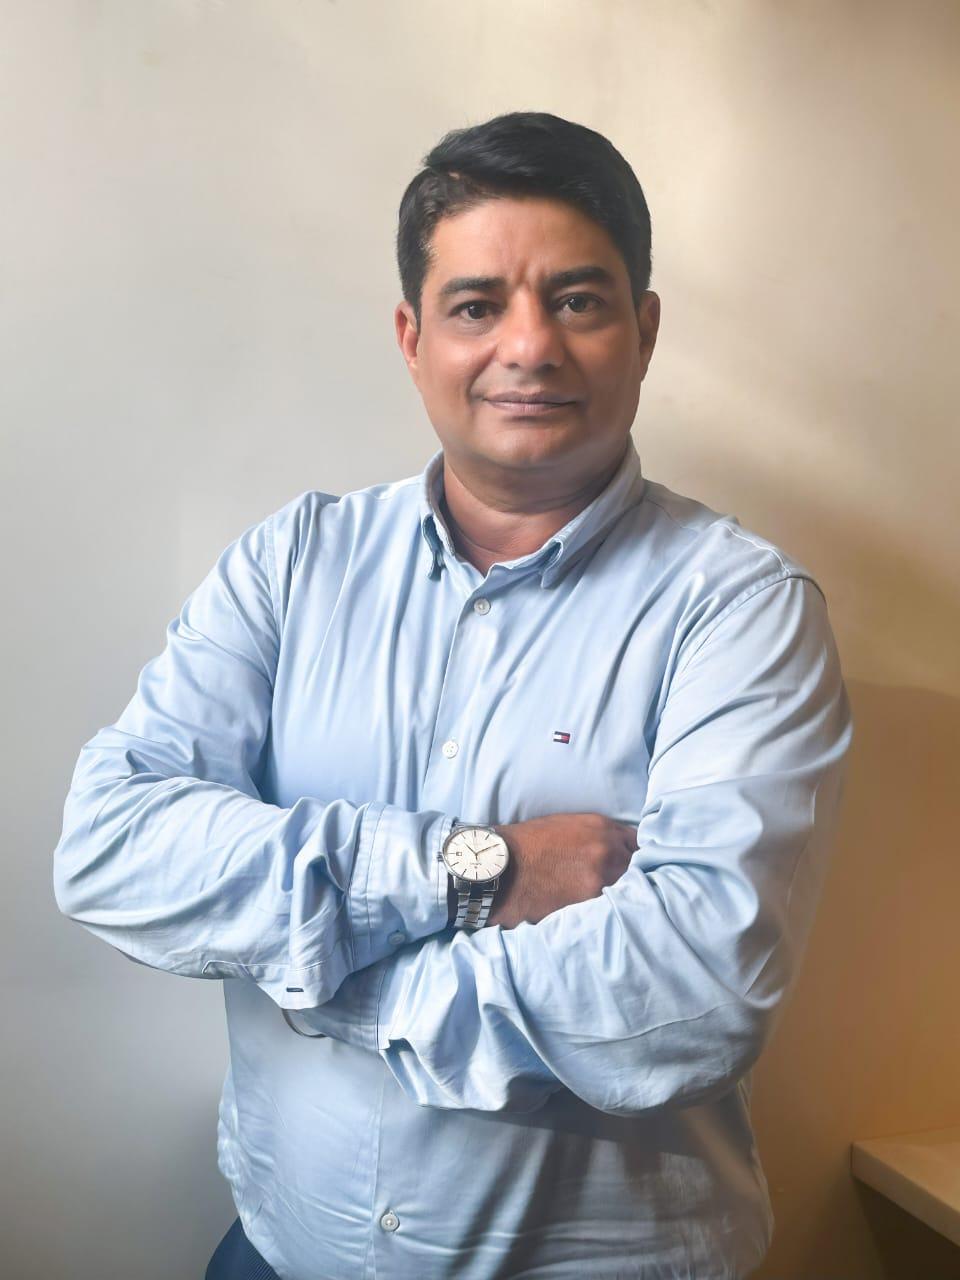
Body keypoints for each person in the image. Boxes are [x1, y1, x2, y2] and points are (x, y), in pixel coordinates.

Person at [53, 111, 853, 1280]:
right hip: (280, 1253)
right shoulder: (292, 563)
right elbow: (112, 846)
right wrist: (473, 868)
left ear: (644, 330)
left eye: (576, 300)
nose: (528, 345)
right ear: (413, 336)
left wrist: (325, 978)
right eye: (477, 305)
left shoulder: (741, 609)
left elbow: (694, 988)